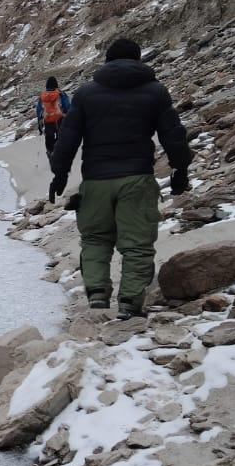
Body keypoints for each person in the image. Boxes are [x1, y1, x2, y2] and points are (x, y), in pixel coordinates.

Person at [49, 38, 192, 319]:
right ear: (138, 60)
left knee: (95, 241)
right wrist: (180, 169)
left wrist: (60, 174)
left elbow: (67, 139)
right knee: (137, 245)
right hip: (137, 178)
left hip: (96, 180)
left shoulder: (86, 94)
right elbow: (172, 135)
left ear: (106, 61)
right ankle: (129, 306)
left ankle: (98, 303)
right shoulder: (155, 92)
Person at [37, 77, 71, 162]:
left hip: (47, 120)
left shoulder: (43, 96)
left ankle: (50, 152)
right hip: (60, 118)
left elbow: (39, 110)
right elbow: (67, 106)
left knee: (49, 137)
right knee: (61, 136)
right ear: (56, 85)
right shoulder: (61, 94)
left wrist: (40, 123)